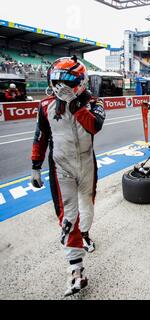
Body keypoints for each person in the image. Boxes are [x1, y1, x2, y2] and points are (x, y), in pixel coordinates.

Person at [30, 56, 106, 297]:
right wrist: (35, 165)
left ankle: (84, 235)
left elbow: (95, 126)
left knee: (88, 210)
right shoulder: (44, 106)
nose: (61, 85)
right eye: (57, 80)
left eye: (68, 80)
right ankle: (76, 270)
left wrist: (75, 103)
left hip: (87, 164)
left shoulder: (94, 101)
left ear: (80, 81)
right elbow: (40, 137)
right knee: (68, 215)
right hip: (60, 167)